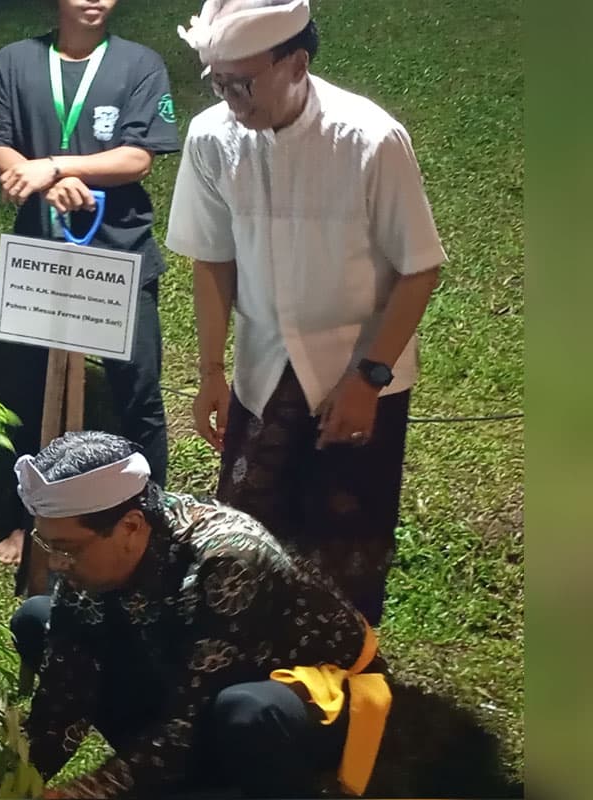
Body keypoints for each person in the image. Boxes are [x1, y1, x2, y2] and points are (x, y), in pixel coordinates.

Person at [165, 0, 445, 624]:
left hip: (360, 366)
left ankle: (342, 675)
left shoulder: (370, 138)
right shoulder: (212, 136)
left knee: (349, 533)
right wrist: (212, 370)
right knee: (246, 529)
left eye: (244, 82)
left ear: (296, 63)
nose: (231, 97)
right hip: (262, 367)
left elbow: (419, 267)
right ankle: (245, 660)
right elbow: (211, 260)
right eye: (218, 81)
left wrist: (369, 378)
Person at [9, 430, 391, 799]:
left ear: (130, 526)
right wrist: (11, 782)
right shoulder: (96, 552)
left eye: (67, 548)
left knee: (247, 713)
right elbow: (66, 692)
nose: (58, 563)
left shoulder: (227, 561)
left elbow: (188, 721)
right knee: (37, 618)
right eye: (48, 544)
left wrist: (88, 792)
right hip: (194, 684)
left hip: (304, 700)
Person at [0, 0, 180, 569]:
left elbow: (138, 157)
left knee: (137, 396)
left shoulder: (139, 64)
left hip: (118, 257)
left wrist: (56, 167)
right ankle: (32, 527)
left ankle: (151, 525)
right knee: (29, 395)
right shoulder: (16, 62)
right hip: (40, 260)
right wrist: (44, 181)